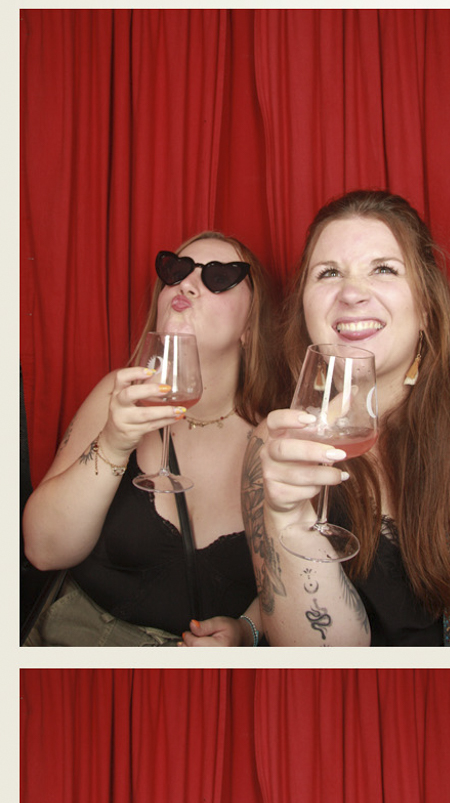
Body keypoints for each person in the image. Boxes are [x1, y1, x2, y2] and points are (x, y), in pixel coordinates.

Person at [22, 232, 282, 647]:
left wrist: (247, 630)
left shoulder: (277, 436)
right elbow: (43, 550)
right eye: (176, 271)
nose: (187, 284)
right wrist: (113, 443)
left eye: (218, 277)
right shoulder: (118, 396)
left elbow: (290, 574)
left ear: (250, 328)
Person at [245, 190, 450, 646]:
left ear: (426, 307)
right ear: (305, 308)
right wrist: (287, 521)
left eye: (383, 269)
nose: (352, 293)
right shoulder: (277, 442)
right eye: (329, 273)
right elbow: (323, 654)